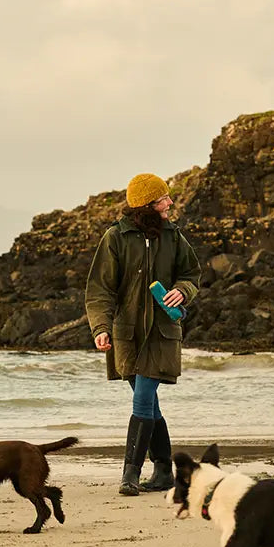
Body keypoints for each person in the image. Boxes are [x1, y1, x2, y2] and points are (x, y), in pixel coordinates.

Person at [85, 172, 201, 496]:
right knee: (149, 403)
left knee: (142, 398)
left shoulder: (173, 236)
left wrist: (182, 290)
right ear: (147, 205)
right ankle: (164, 470)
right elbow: (99, 289)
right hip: (126, 335)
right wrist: (100, 328)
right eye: (164, 198)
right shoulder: (115, 238)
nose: (170, 203)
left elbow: (192, 273)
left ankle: (130, 474)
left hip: (162, 333)